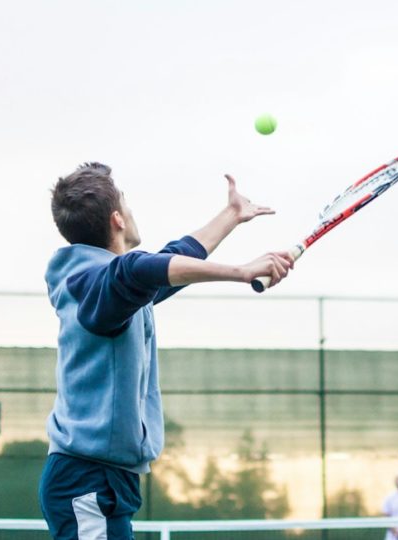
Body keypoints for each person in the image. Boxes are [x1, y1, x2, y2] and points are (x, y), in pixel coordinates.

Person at [39, 163, 294, 540]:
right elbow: (140, 270)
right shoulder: (99, 288)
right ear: (117, 220)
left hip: (104, 478)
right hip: (86, 480)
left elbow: (168, 261)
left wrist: (232, 216)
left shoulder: (109, 289)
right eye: (127, 204)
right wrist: (241, 271)